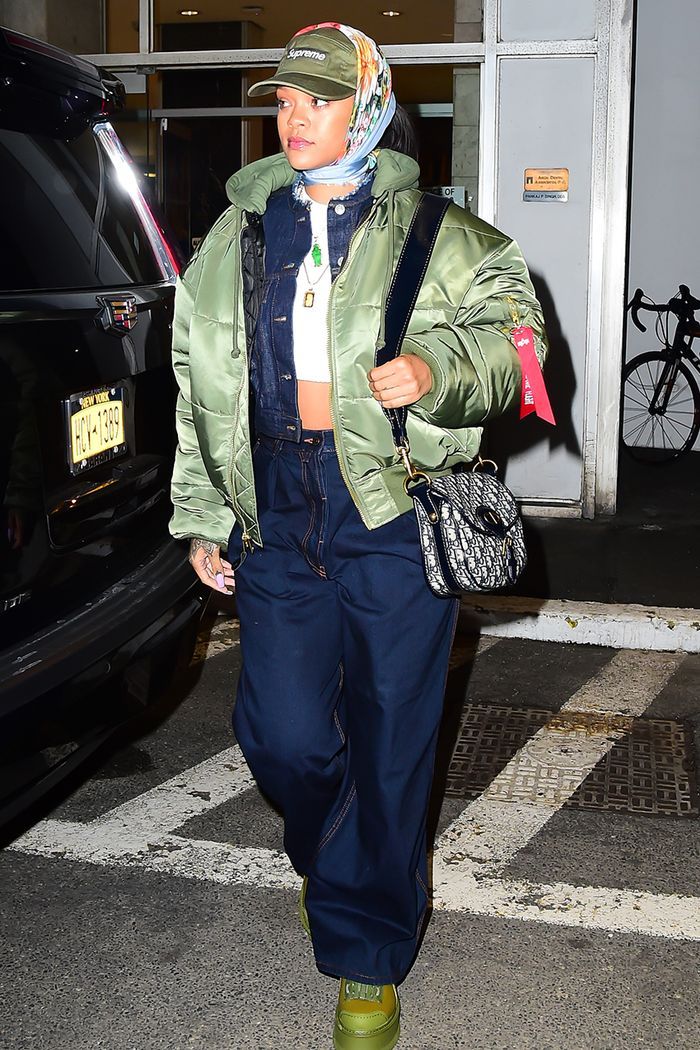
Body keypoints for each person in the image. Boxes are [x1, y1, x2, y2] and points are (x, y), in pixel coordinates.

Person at [170, 21, 547, 1050]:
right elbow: (192, 382)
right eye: (284, 99)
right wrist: (203, 513)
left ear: (370, 108)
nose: (293, 117)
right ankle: (342, 867)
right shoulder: (235, 235)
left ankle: (368, 960)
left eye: (318, 99)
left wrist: (434, 365)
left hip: (393, 508)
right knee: (281, 735)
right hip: (278, 511)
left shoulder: (440, 233)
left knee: (389, 746)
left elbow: (520, 338)